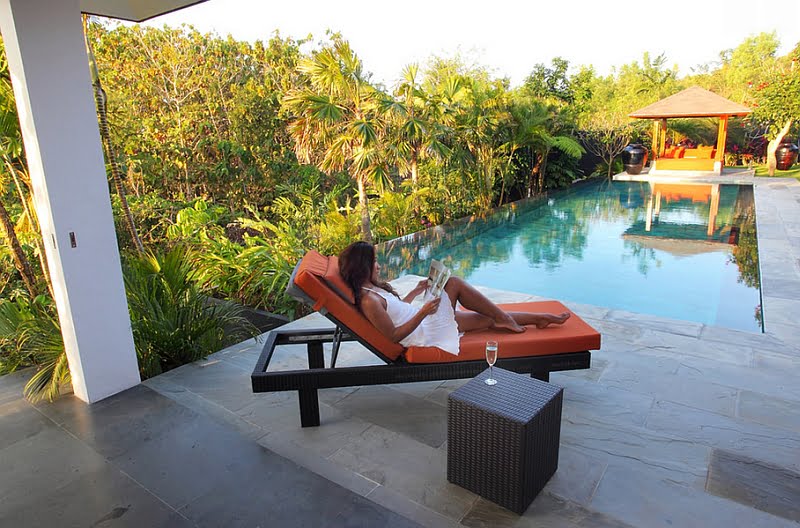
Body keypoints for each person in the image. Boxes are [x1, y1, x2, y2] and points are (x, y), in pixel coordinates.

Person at [338, 241, 570, 356]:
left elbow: (397, 311)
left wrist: (417, 292)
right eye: (375, 262)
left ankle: (540, 318)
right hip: (423, 332)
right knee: (455, 283)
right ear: (363, 266)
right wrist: (423, 312)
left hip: (423, 320)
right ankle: (506, 318)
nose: (379, 265)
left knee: (487, 319)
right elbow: (393, 335)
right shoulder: (368, 300)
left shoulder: (373, 289)